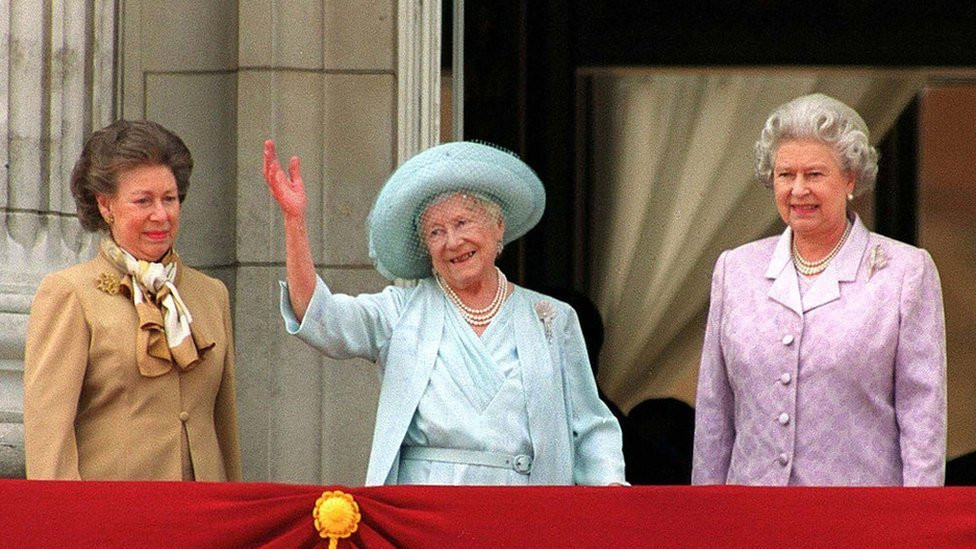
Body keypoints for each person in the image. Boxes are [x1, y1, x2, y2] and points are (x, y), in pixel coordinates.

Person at [263, 139, 625, 486]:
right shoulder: (400, 312)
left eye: (463, 223)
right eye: (436, 232)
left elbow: (590, 426)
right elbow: (322, 317)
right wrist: (295, 223)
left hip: (523, 510)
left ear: (498, 227)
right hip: (426, 508)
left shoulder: (552, 319)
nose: (452, 242)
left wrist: (611, 493)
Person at [692, 93, 946, 486]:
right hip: (751, 522)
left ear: (850, 179)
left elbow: (923, 417)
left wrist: (918, 527)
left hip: (858, 524)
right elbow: (714, 412)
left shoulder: (904, 273)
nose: (798, 190)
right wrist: (707, 519)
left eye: (814, 174)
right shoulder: (735, 270)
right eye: (784, 175)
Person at [23, 120, 241, 481]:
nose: (161, 214)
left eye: (169, 198)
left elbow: (224, 429)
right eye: (143, 201)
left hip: (202, 520)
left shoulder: (210, 294)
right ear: (106, 205)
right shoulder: (71, 293)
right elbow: (50, 441)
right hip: (113, 523)